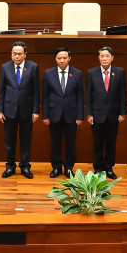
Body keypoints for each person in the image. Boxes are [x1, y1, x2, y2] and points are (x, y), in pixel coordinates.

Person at [0, 41, 40, 179]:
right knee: (9, 141)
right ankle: (10, 166)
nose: (16, 56)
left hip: (27, 111)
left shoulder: (33, 67)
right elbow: (1, 91)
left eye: (19, 54)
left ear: (25, 54)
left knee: (26, 141)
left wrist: (36, 110)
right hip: (9, 110)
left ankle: (25, 167)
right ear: (11, 54)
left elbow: (36, 90)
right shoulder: (5, 67)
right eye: (14, 53)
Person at [85, 46, 127, 179]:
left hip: (113, 114)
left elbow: (123, 94)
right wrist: (89, 113)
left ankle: (109, 168)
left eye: (107, 56)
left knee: (111, 142)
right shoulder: (91, 73)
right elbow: (88, 95)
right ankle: (98, 167)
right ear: (98, 58)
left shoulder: (120, 72)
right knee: (97, 142)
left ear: (112, 57)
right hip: (97, 114)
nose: (104, 58)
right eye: (102, 56)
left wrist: (122, 112)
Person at [42, 47, 83, 177]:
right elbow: (45, 96)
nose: (62, 60)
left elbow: (80, 96)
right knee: (55, 143)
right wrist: (45, 115)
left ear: (69, 59)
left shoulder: (77, 73)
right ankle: (56, 167)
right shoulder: (48, 73)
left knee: (71, 143)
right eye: (59, 58)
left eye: (64, 58)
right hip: (54, 114)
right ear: (55, 59)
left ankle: (69, 167)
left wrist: (80, 115)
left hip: (71, 114)